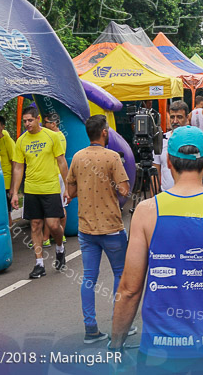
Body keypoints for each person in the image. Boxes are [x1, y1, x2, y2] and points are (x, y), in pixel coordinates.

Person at [110, 126, 203, 369]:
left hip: (160, 352)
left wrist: (116, 346)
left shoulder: (146, 212)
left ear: (169, 162)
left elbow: (129, 290)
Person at [65, 115, 132, 343]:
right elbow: (124, 190)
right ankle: (119, 323)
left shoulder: (77, 157)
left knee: (89, 279)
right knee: (120, 275)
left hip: (86, 228)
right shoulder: (113, 157)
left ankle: (90, 328)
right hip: (112, 227)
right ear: (104, 132)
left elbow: (70, 191)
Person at [11, 106, 68, 277]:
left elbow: (62, 162)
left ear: (38, 119)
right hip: (31, 189)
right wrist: (14, 192)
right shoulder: (21, 141)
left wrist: (67, 187)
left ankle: (59, 249)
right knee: (35, 225)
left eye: (30, 120)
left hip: (50, 187)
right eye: (24, 121)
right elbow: (18, 168)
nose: (27, 124)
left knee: (53, 225)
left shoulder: (52, 137)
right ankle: (39, 264)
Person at [158, 100, 203, 192]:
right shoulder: (162, 140)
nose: (175, 121)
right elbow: (155, 173)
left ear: (187, 117)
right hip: (167, 199)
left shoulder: (197, 138)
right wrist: (156, 200)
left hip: (193, 198)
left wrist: (200, 195)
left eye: (179, 117)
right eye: (172, 117)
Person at [0, 116, 18, 210]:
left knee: (6, 212)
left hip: (7, 183)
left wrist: (13, 187)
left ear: (3, 126)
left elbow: (15, 165)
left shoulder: (8, 141)